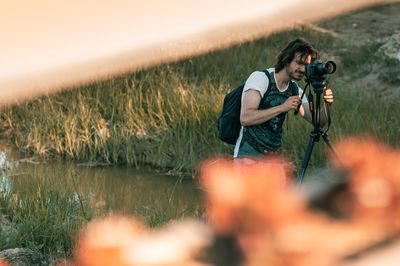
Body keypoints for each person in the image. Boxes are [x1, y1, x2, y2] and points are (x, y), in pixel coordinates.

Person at [233, 38, 334, 158]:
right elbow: (245, 118)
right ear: (287, 60)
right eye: (299, 63)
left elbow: (318, 122)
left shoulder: (294, 90)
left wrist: (327, 104)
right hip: (248, 157)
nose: (303, 69)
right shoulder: (261, 78)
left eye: (306, 65)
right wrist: (282, 107)